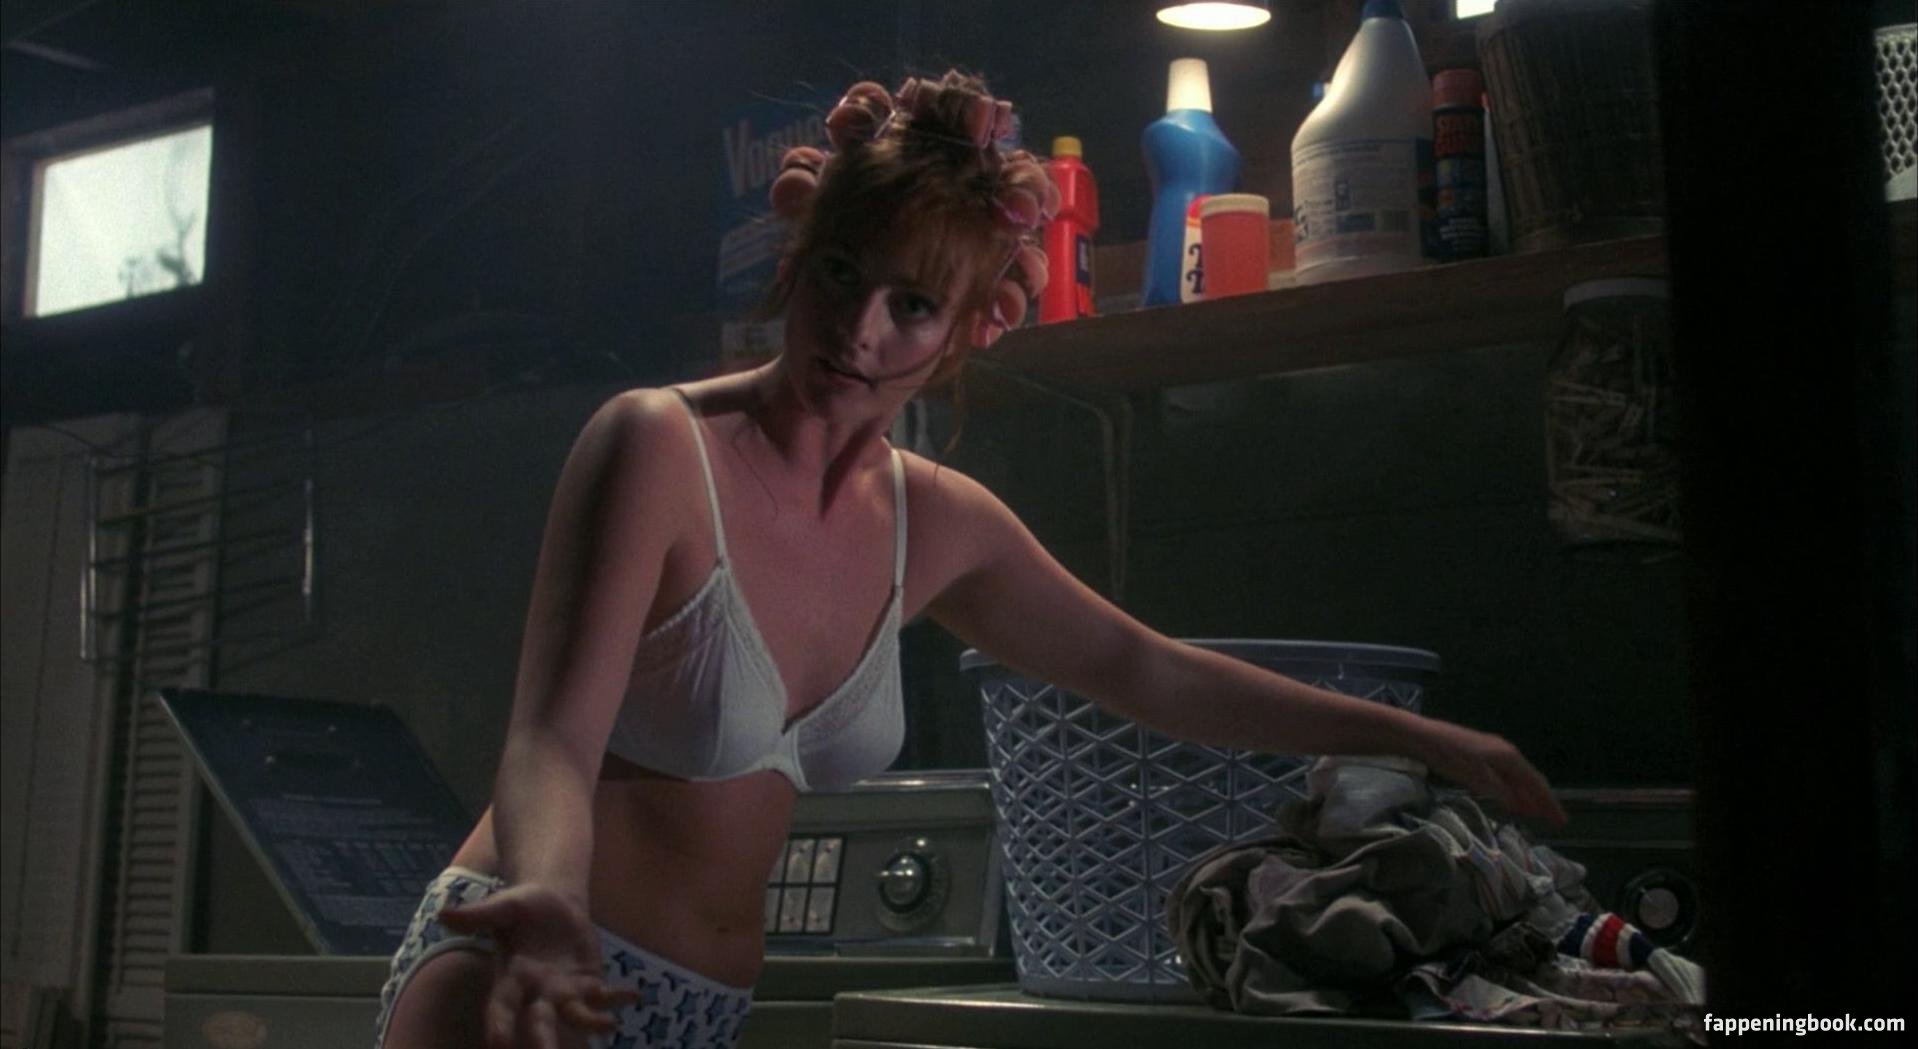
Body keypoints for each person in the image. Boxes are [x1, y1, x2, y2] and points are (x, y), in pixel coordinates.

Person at [373, 70, 1568, 1049]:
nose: (860, 329)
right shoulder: (656, 445)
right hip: (526, 969)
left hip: (699, 1009)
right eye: (842, 273)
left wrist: (1413, 735)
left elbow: (1146, 669)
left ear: (965, 327)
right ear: (801, 253)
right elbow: (550, 737)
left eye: (911, 305)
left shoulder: (936, 522)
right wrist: (549, 897)